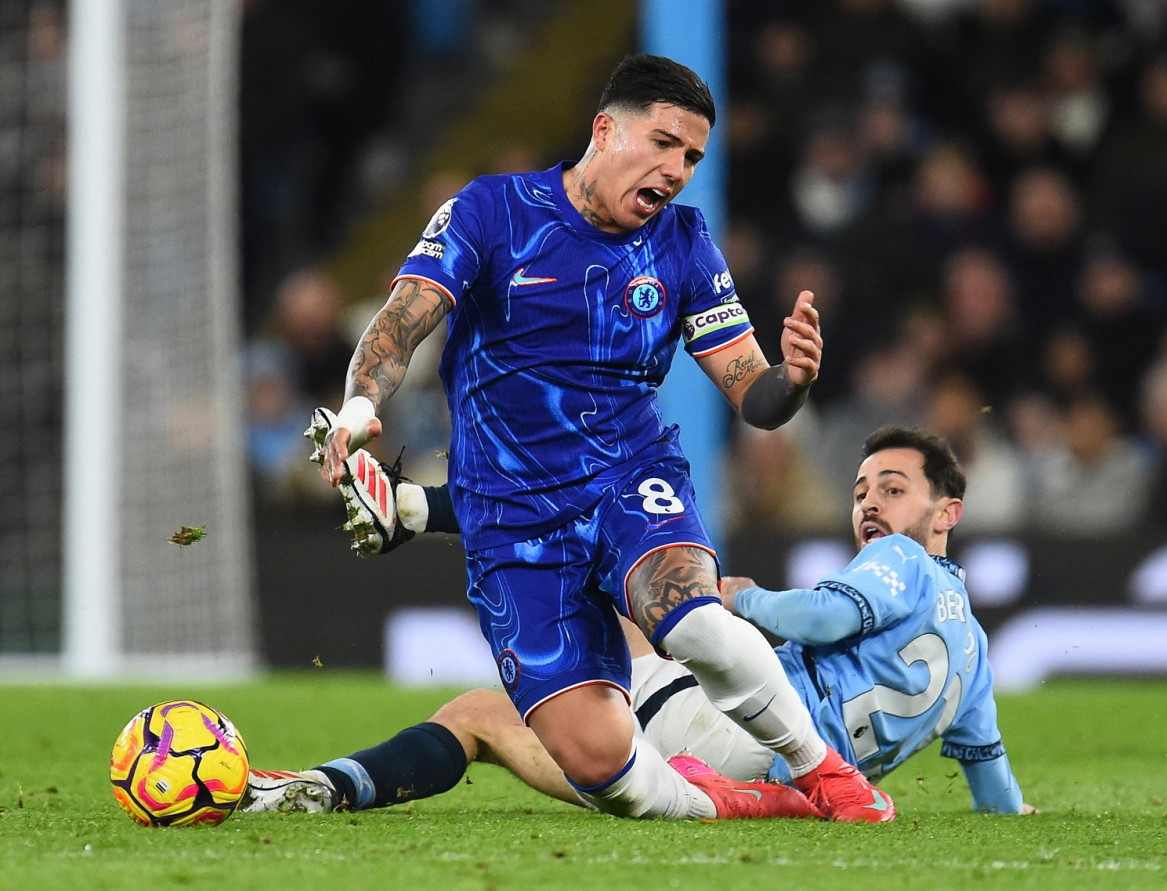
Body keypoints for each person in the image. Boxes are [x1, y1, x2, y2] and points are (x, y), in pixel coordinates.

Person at [304, 54, 891, 822]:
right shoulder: (492, 211)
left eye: (690, 157)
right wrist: (356, 408)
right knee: (602, 766)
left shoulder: (682, 242)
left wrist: (796, 379)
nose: (676, 170)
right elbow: (400, 320)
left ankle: (829, 776)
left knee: (692, 618)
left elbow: (756, 394)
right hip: (512, 520)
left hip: (627, 473)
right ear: (605, 130)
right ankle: (744, 801)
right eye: (663, 143)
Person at [243, 426, 1032, 816]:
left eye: (892, 488)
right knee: (485, 715)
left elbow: (827, 615)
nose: (869, 504)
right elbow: (992, 778)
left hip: (735, 733)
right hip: (767, 780)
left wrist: (740, 600)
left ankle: (418, 509)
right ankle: (327, 786)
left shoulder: (901, 562)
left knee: (596, 558)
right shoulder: (977, 656)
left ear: (946, 512)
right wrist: (1015, 816)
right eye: (861, 489)